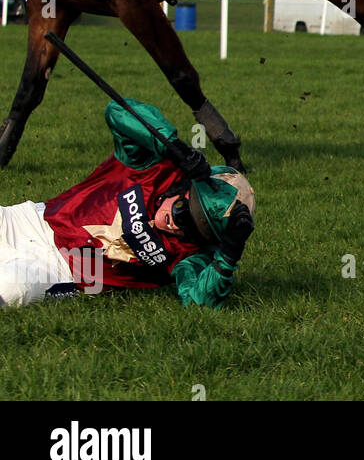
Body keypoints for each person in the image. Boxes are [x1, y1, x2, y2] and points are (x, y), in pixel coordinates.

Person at [0, 99, 254, 309]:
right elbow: (118, 111)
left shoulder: (195, 254)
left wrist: (229, 255)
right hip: (33, 222)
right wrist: (172, 145)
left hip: (63, 271)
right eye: (182, 211)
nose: (175, 225)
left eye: (191, 228)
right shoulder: (154, 166)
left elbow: (198, 302)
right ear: (184, 188)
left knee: (12, 289)